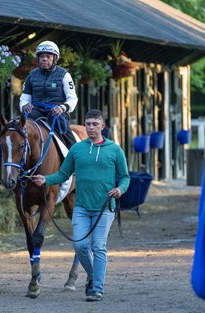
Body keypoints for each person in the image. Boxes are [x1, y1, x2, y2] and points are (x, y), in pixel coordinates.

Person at [32, 109, 130, 301]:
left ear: (103, 126)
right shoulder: (77, 149)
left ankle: (97, 288)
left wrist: (120, 189)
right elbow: (63, 175)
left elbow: (125, 177)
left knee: (99, 246)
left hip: (104, 207)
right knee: (79, 245)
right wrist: (45, 179)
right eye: (89, 124)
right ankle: (93, 276)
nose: (91, 128)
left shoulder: (115, 150)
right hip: (82, 208)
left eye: (95, 124)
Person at [19, 40, 78, 149]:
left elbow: (72, 98)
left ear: (55, 59)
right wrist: (24, 106)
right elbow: (24, 98)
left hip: (56, 111)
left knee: (57, 119)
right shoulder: (31, 76)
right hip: (36, 110)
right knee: (19, 124)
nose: (44, 59)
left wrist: (62, 107)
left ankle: (75, 152)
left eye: (48, 56)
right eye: (41, 56)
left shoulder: (64, 75)